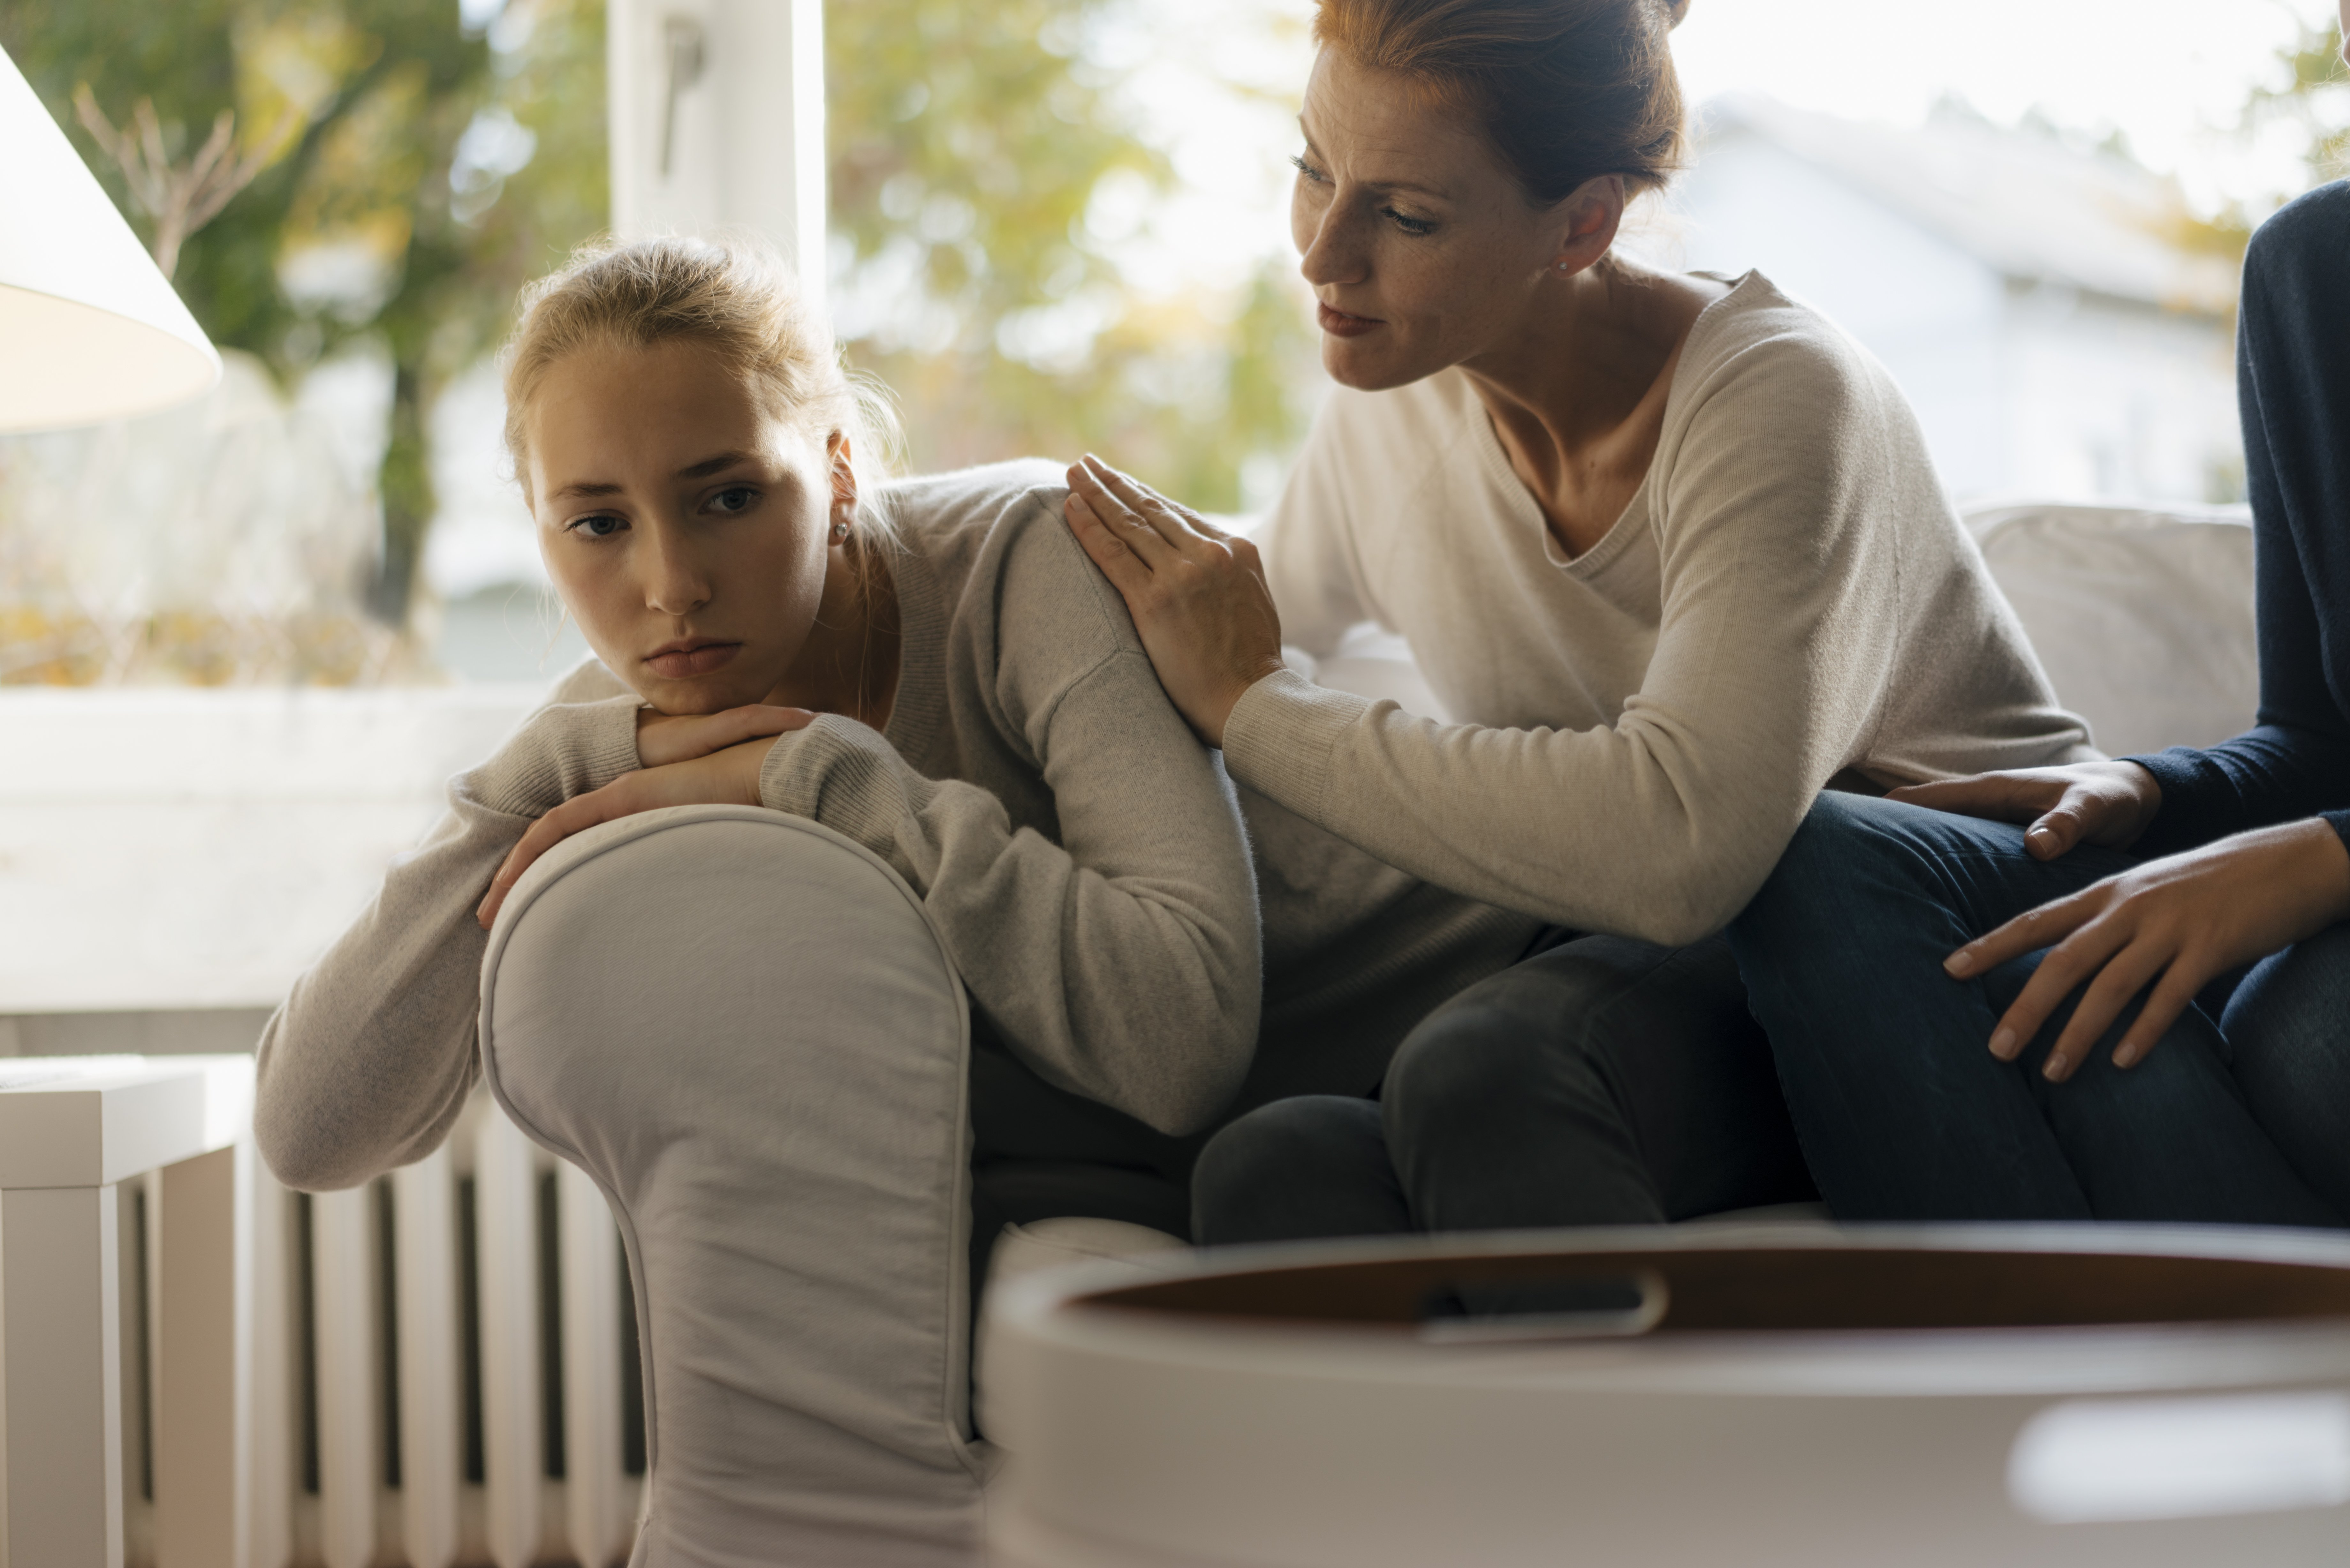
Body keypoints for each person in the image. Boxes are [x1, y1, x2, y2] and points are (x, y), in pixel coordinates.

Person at [252, 236, 1545, 1548]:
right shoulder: (629, 713)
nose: (667, 584)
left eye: (725, 498)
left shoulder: (1026, 558)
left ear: (834, 471)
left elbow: (1179, 1038)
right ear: (541, 531)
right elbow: (311, 1130)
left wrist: (837, 779)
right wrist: (541, 764)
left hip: (1499, 1000)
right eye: (596, 523)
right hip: (1242, 1162)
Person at [1060, 0, 2091, 1246]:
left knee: (1487, 1072)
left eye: (1406, 215)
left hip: (1932, 940)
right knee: (1272, 1170)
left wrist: (1258, 711)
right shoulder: (1397, 395)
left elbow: (1677, 843)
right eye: (1312, 169)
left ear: (1584, 223)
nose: (1323, 255)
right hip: (1652, 965)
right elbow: (1211, 642)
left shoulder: (1777, 397)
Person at [1724, 171, 2350, 1226]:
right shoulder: (2316, 266)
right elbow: (2318, 736)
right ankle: (2040, 1360)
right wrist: (2148, 789)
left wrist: (2332, 856)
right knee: (1824, 850)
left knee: (2305, 1030)